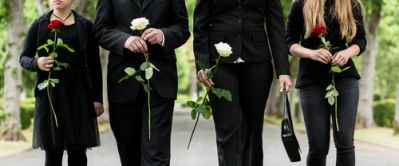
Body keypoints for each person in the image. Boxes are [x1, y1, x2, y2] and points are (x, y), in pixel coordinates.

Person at [193, 0, 292, 165]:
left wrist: (283, 70)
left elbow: (276, 24)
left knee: (253, 129)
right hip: (219, 63)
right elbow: (199, 25)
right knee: (227, 129)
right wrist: (202, 65)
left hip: (258, 61)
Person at [94, 0, 189, 165]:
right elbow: (101, 30)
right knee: (129, 155)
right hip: (122, 82)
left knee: (156, 155)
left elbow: (182, 28)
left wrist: (163, 35)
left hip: (161, 81)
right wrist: (124, 40)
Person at [19, 0, 104, 166]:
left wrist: (97, 98)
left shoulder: (85, 25)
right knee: (52, 153)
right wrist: (37, 63)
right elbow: (24, 58)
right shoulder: (39, 24)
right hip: (50, 95)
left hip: (79, 96)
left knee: (78, 152)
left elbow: (94, 65)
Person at [286, 0, 366, 165]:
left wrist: (347, 53)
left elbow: (360, 40)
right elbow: (289, 42)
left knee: (345, 143)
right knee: (318, 146)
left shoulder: (352, 4)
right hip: (311, 81)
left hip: (344, 79)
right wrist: (311, 53)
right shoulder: (300, 4)